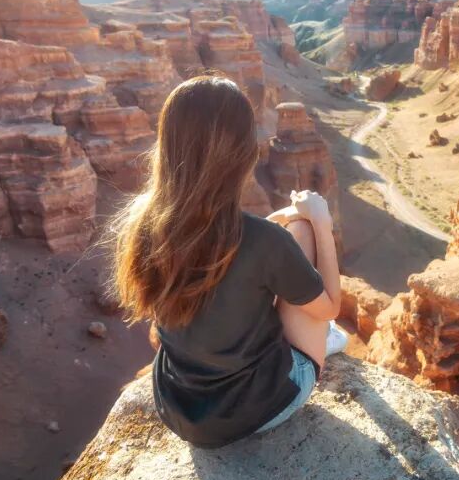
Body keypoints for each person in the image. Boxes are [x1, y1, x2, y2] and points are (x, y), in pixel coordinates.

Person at [111, 75, 346, 447]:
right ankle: (322, 342)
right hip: (256, 409)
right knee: (303, 241)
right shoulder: (263, 241)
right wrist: (320, 222)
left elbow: (220, 264)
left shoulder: (144, 224)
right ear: (241, 152)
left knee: (283, 245)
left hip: (178, 410)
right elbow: (332, 305)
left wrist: (277, 227)